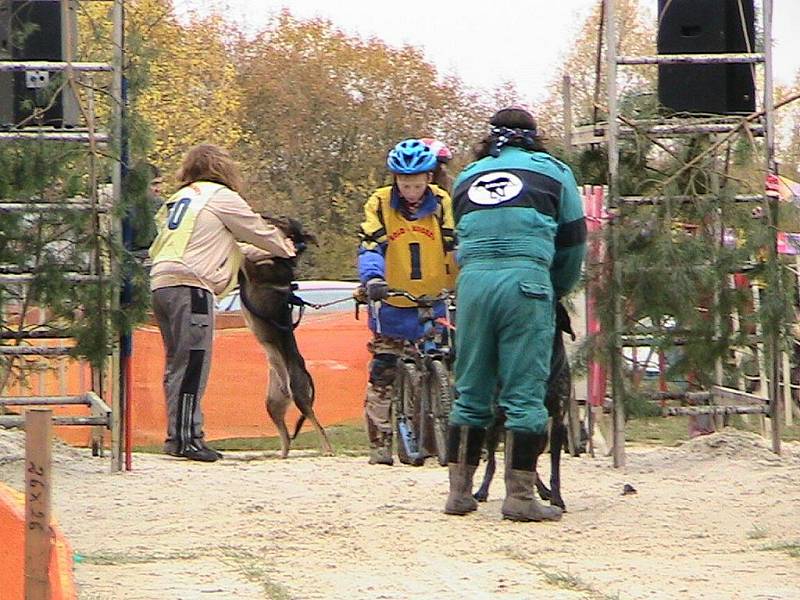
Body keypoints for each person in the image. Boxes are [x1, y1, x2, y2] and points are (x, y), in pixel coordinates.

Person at [443, 107, 586, 521]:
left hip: (472, 285)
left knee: (470, 389)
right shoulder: (555, 173)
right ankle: (520, 498)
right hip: (526, 281)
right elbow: (573, 242)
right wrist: (553, 290)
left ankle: (459, 493)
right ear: (535, 136)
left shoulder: (468, 176)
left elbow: (459, 234)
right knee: (525, 394)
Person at [148, 144, 296, 462]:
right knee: (193, 364)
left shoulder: (181, 198)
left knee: (176, 363)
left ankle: (176, 435)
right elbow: (256, 229)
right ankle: (189, 438)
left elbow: (223, 245)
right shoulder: (219, 196)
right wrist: (284, 248)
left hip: (162, 282)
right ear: (222, 168)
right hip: (191, 287)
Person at [358, 139, 456, 466]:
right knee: (383, 369)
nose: (410, 190)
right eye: (403, 183)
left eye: (416, 183)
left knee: (446, 360)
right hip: (391, 298)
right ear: (394, 180)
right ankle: (381, 442)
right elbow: (370, 244)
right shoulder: (381, 203)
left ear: (428, 178)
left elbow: (456, 244)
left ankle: (448, 429)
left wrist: (465, 276)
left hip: (433, 297)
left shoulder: (442, 203)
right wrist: (372, 279)